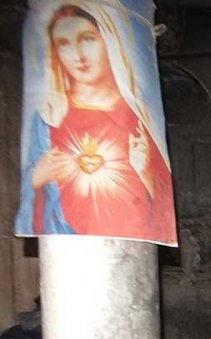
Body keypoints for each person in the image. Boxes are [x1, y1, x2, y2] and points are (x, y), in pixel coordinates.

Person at [16, 3, 176, 244]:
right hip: (65, 251)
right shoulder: (47, 119)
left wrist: (146, 172)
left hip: (129, 251)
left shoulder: (138, 117)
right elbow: (37, 200)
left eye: (87, 39)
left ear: (109, 41)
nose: (78, 56)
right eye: (64, 44)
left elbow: (161, 206)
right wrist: (36, 179)